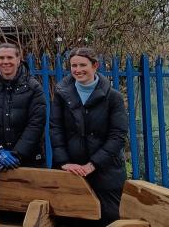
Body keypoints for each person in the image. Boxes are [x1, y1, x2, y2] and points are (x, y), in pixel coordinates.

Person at [50, 47, 128, 226]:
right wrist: (64, 162)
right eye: (73, 65)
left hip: (106, 172)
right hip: (70, 170)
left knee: (108, 219)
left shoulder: (113, 97)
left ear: (95, 66)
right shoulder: (61, 95)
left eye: (82, 65)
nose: (78, 70)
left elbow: (117, 135)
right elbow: (56, 129)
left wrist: (93, 164)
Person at [0, 43, 46, 170]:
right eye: (1, 58)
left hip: (29, 159)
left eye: (10, 57)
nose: (5, 61)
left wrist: (17, 154)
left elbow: (36, 124)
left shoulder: (33, 87)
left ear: (18, 60)